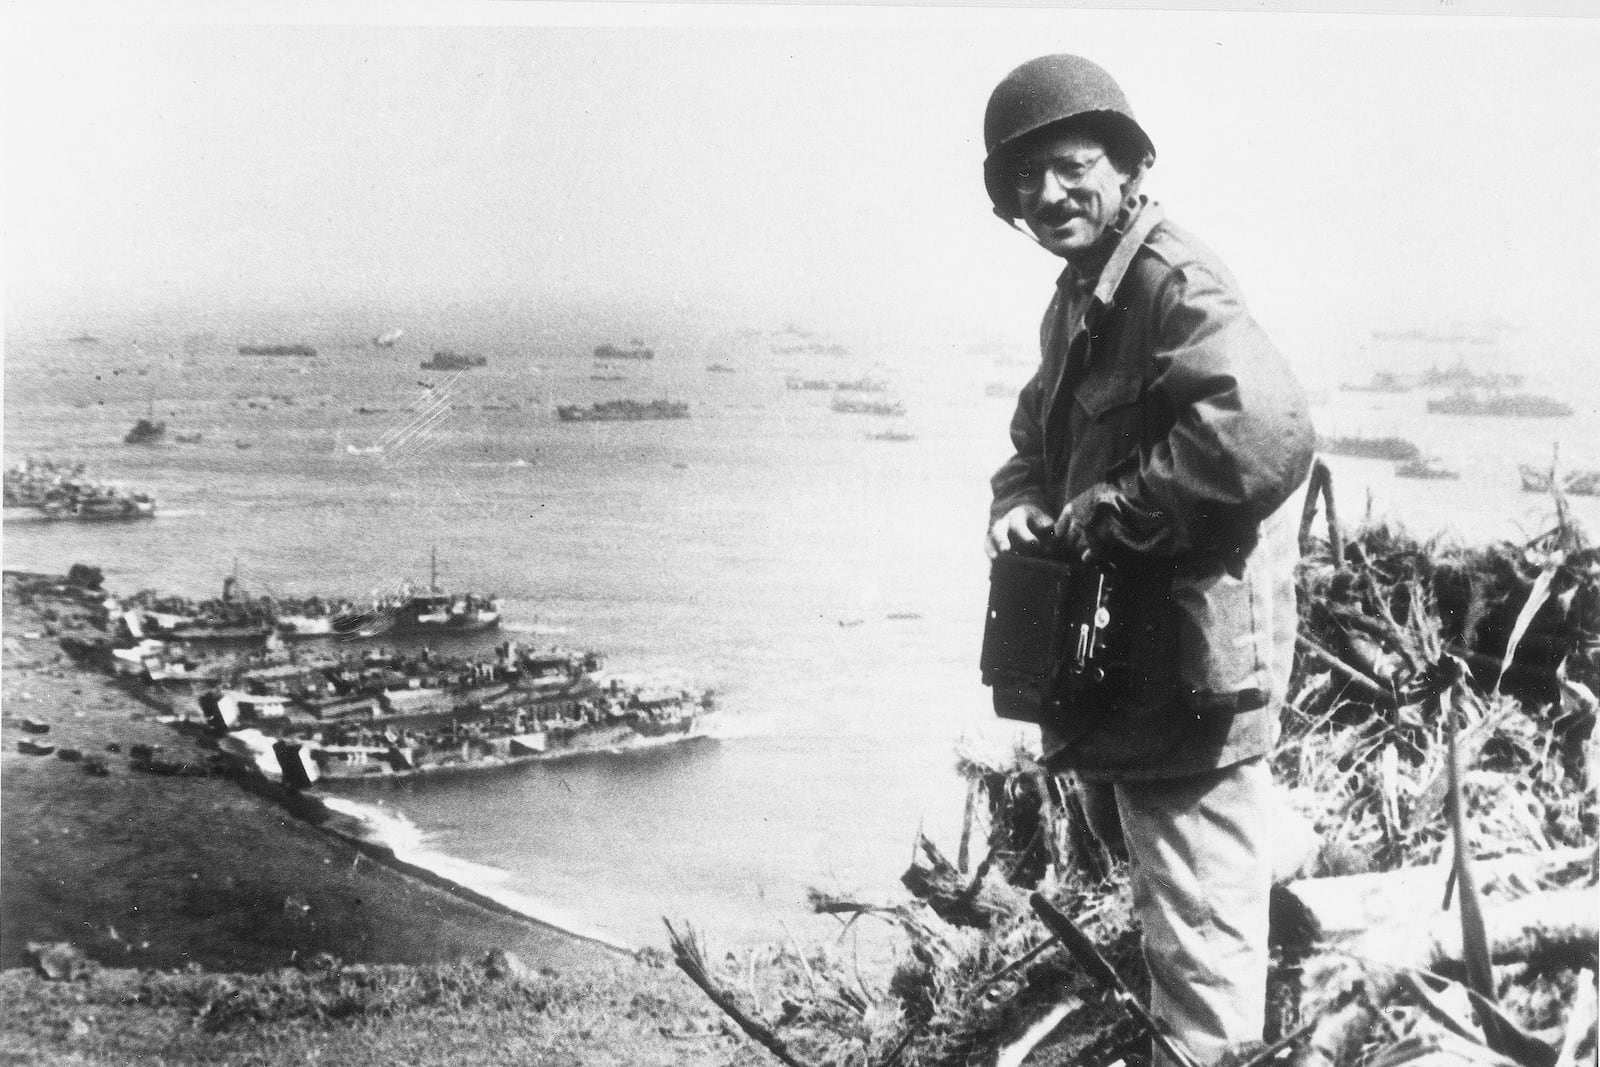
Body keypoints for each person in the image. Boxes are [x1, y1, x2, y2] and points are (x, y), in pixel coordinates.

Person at [980, 55, 1315, 1067]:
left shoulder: (1168, 280)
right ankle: (1293, 899)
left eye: (1071, 167)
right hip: (1133, 672)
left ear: (1125, 166)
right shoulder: (1085, 294)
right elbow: (1035, 440)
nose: (1048, 196)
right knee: (1182, 856)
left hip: (1183, 674)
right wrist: (1024, 503)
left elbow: (1262, 430)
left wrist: (1114, 512)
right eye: (1025, 181)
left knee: (1202, 987)